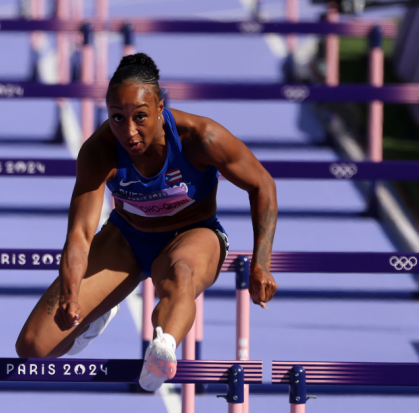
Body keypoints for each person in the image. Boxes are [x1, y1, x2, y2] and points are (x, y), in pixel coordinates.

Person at [16, 53, 278, 391]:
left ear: (160, 107)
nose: (129, 131)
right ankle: (98, 314)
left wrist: (261, 262)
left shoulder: (200, 137)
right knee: (32, 348)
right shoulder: (100, 151)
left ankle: (163, 349)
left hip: (193, 234)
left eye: (140, 117)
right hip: (127, 237)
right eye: (117, 118)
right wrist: (70, 294)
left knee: (180, 273)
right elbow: (80, 234)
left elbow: (262, 184)